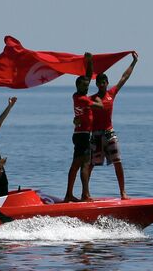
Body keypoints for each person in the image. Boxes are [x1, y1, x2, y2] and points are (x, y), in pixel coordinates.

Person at [89, 51, 138, 200]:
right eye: (99, 83)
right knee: (90, 165)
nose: (102, 85)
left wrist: (133, 62)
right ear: (97, 84)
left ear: (107, 83)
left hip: (110, 133)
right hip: (96, 135)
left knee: (118, 162)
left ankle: (123, 192)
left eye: (104, 83)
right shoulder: (92, 99)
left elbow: (124, 77)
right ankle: (86, 193)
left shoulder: (112, 93)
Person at [65, 52, 104, 202]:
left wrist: (90, 61)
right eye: (84, 86)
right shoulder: (82, 99)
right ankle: (85, 195)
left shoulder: (77, 95)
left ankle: (71, 194)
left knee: (78, 165)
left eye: (87, 86)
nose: (87, 88)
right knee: (84, 165)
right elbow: (99, 106)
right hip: (82, 136)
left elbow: (88, 76)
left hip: (80, 134)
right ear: (78, 86)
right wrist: (98, 98)